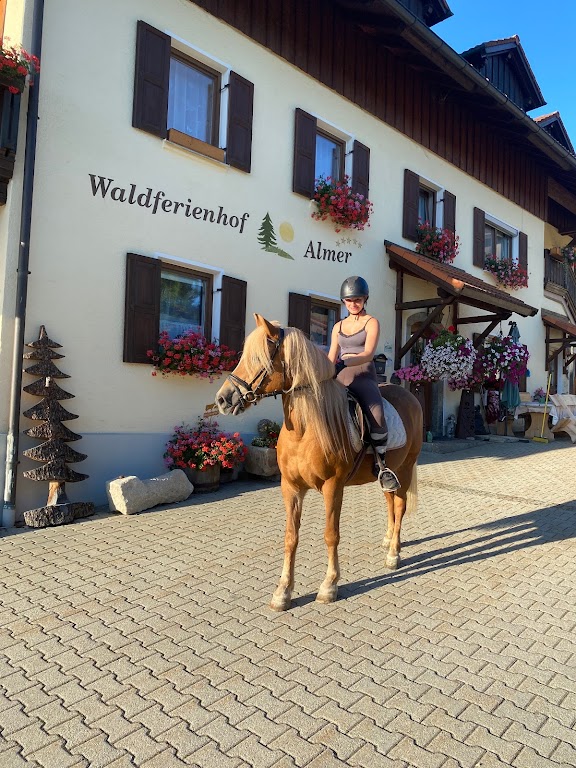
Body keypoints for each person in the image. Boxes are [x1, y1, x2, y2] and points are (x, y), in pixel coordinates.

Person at [328, 276, 400, 492]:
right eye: (349, 301)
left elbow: (368, 353)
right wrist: (323, 370)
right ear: (343, 302)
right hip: (340, 373)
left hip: (362, 372)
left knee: (376, 414)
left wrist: (346, 361)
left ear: (365, 299)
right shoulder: (338, 326)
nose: (353, 304)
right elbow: (332, 355)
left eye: (357, 300)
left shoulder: (372, 322)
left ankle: (382, 466)